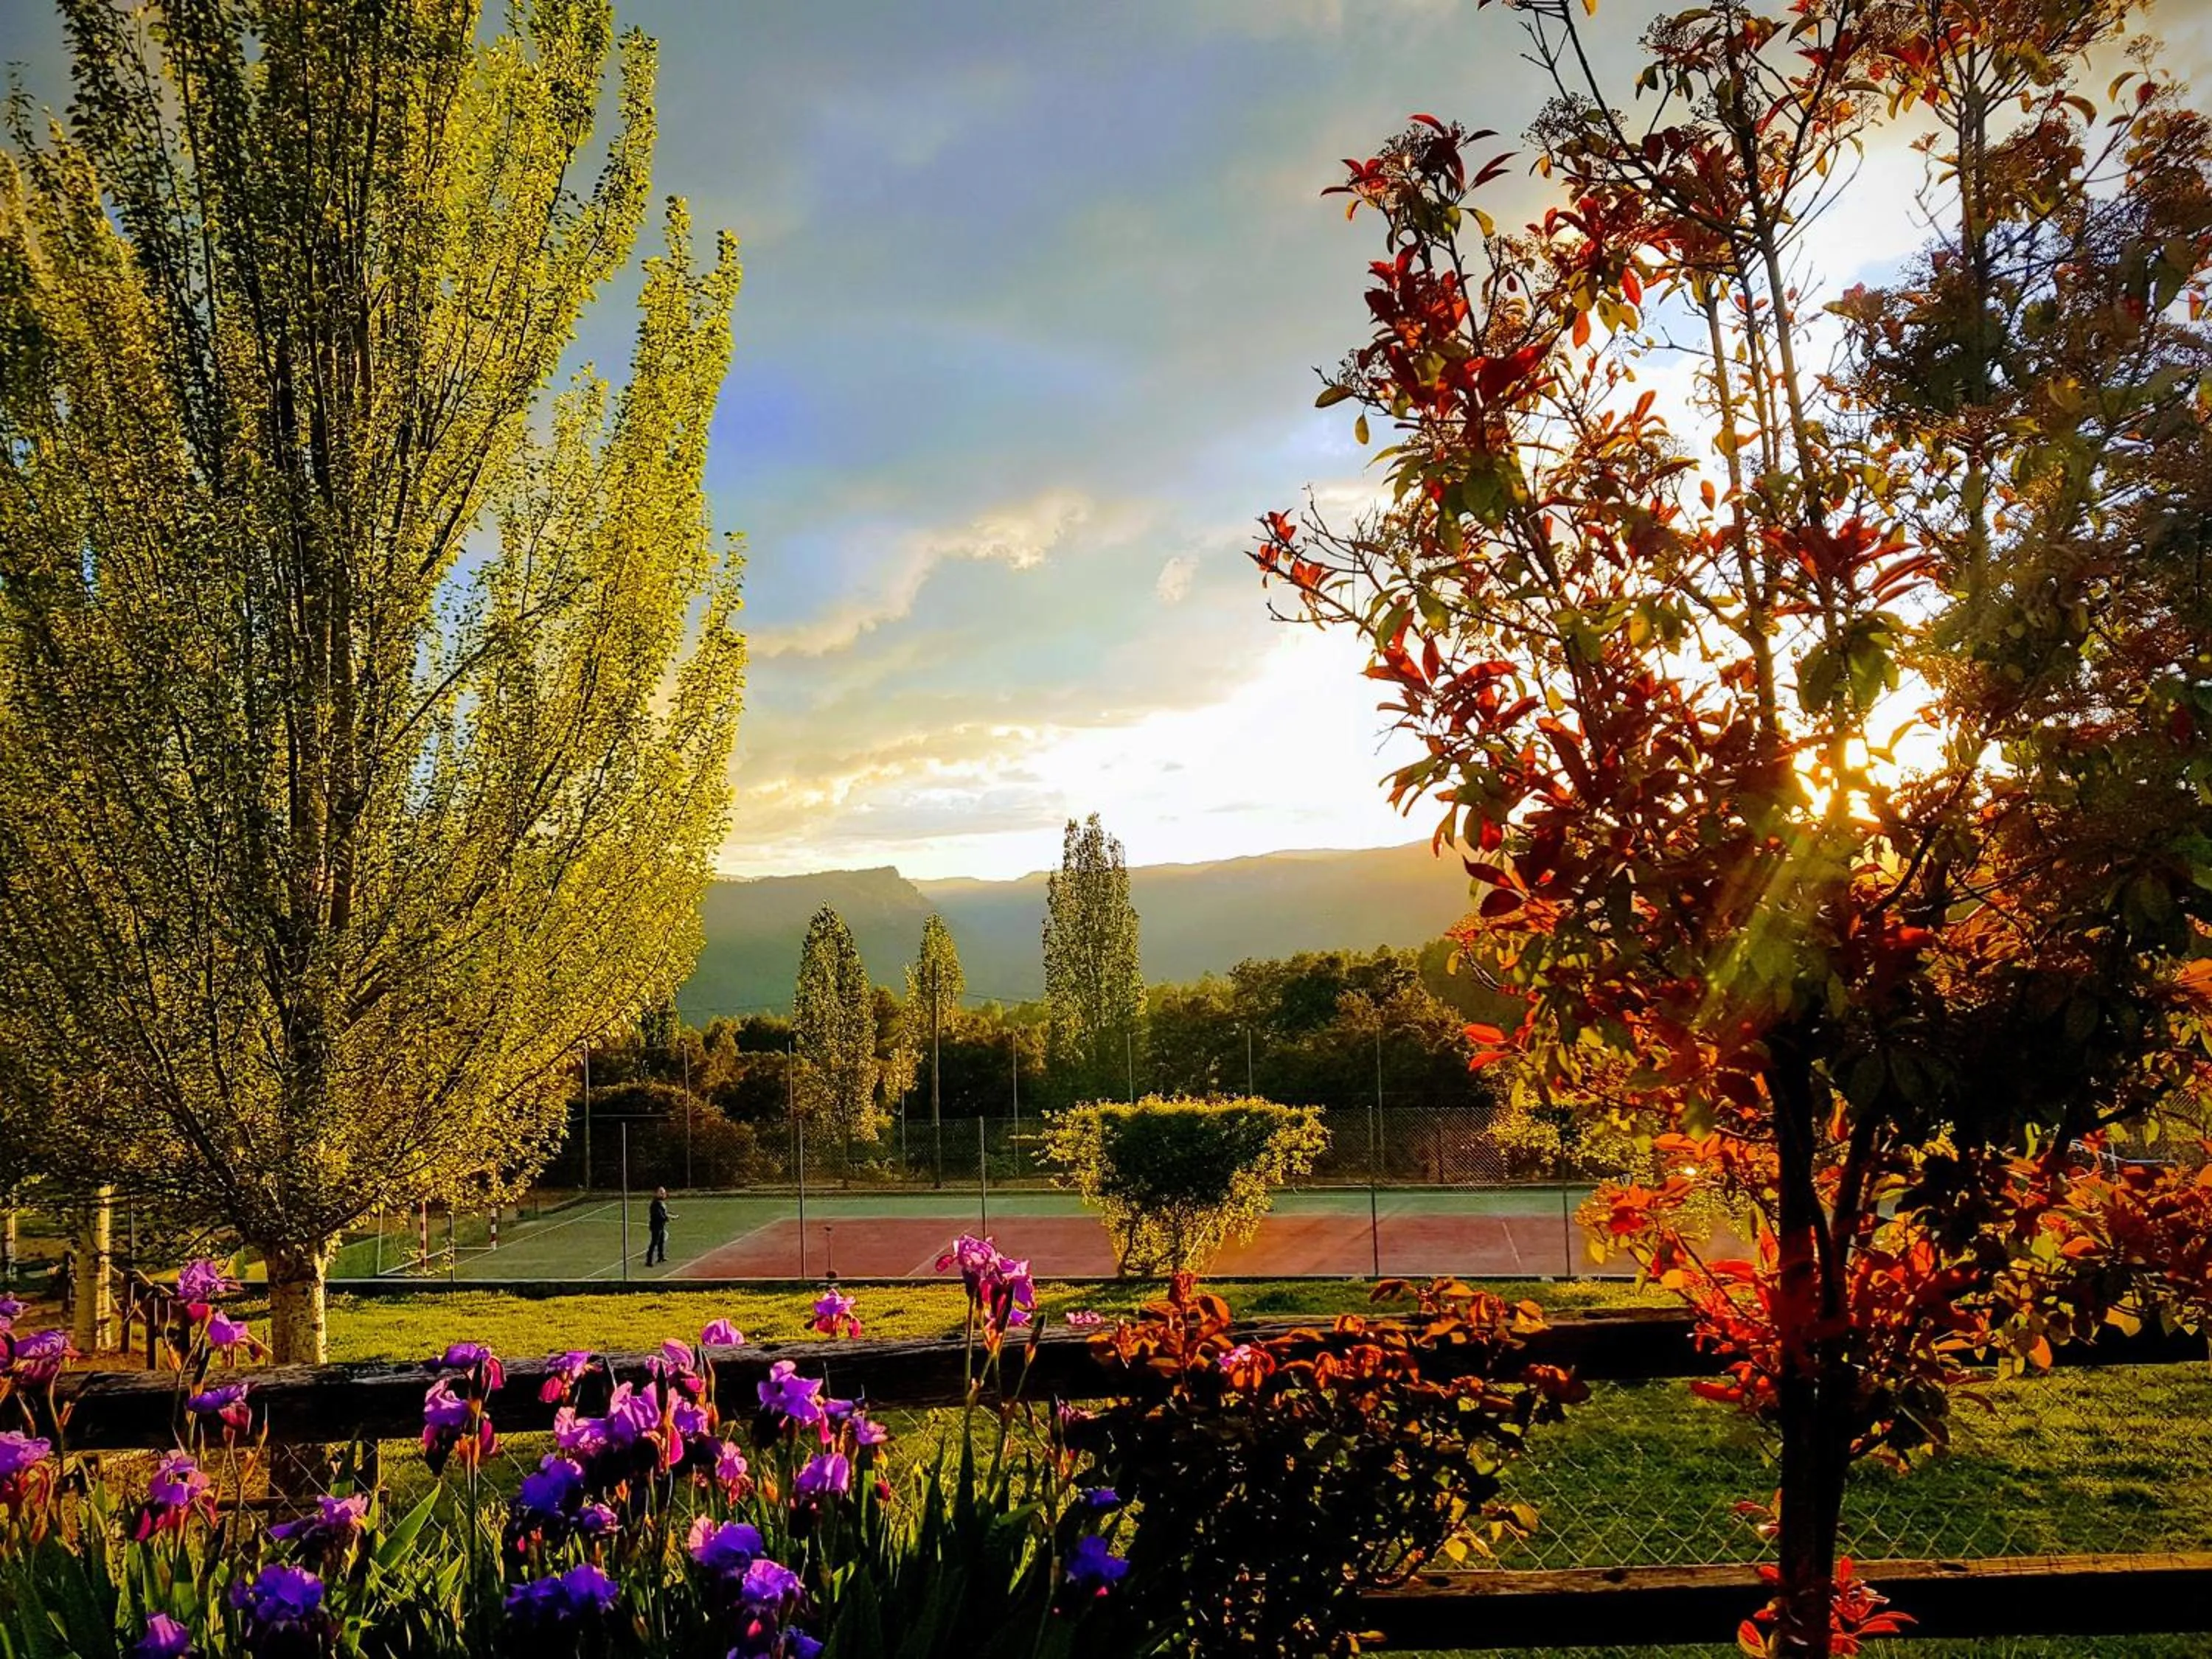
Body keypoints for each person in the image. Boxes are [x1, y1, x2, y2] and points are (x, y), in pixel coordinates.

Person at [646, 1187, 672, 1266]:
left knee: (661, 1242)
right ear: (657, 1193)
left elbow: (663, 1214)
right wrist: (666, 1219)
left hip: (661, 1225)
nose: (663, 1194)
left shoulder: (661, 1202)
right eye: (661, 1192)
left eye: (664, 1193)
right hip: (656, 1226)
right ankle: (649, 1261)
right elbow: (658, 1215)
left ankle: (661, 1257)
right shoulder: (655, 1203)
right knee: (654, 1243)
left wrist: (668, 1217)